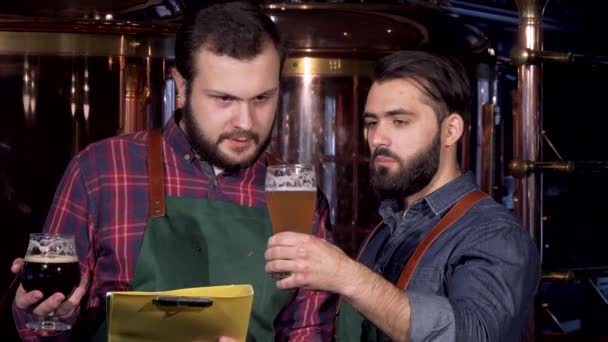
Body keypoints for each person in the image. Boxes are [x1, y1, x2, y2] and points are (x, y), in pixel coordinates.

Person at [11, 2, 336, 341]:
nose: (245, 122)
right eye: (224, 99)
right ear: (181, 87)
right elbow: (42, 327)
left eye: (261, 99)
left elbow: (308, 330)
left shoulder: (297, 199)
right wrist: (42, 312)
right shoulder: (100, 171)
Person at [265, 50, 541, 341]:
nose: (378, 139)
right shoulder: (386, 229)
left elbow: (475, 334)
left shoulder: (494, 234)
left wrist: (347, 276)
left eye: (399, 121)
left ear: (450, 131)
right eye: (372, 123)